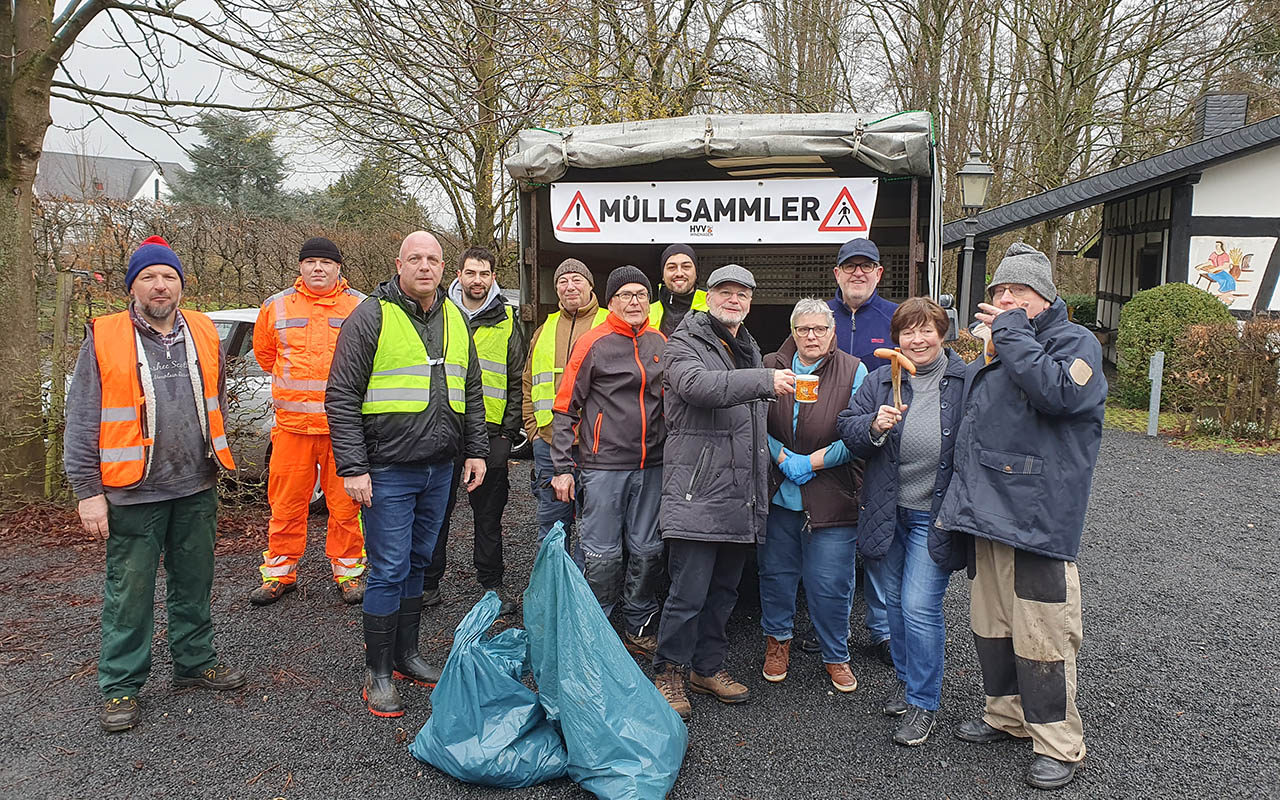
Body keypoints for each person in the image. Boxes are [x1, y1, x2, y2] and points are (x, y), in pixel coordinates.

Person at [937, 243, 1106, 790]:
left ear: (1047, 297)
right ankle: (1006, 714)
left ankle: (1058, 741)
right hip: (988, 511)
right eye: (998, 293)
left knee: (1044, 635)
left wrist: (1009, 333)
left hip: (1038, 517)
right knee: (992, 625)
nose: (1005, 301)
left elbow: (1059, 393)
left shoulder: (1076, 344)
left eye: (1018, 292)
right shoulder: (1003, 347)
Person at [64, 235, 244, 733]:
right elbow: (81, 419)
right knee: (130, 592)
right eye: (148, 277)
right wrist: (88, 492)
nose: (159, 285)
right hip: (132, 491)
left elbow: (217, 401)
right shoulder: (104, 337)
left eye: (168, 276)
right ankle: (121, 686)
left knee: (195, 584)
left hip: (195, 486)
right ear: (133, 286)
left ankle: (194, 662)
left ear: (181, 285)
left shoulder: (204, 330)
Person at [325, 231, 488, 718]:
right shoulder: (371, 316)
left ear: (445, 269)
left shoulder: (456, 318)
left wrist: (475, 451)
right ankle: (376, 670)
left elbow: (472, 389)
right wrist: (353, 467)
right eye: (415, 258)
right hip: (388, 469)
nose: (424, 266)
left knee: (419, 562)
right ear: (398, 264)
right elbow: (341, 397)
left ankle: (406, 654)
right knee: (389, 567)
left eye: (433, 259)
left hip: (441, 467)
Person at [652, 264, 796, 719]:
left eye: (742, 294)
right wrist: (765, 381)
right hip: (697, 491)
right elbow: (699, 388)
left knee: (724, 592)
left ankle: (706, 668)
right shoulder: (683, 342)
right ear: (707, 297)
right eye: (725, 292)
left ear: (750, 302)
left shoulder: (747, 347)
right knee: (687, 592)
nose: (734, 300)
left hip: (739, 494)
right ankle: (668, 673)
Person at [837, 297, 968, 747]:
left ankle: (924, 703)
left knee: (918, 606)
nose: (917, 339)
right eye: (908, 332)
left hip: (934, 516)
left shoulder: (964, 380)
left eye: (927, 330)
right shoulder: (880, 380)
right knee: (895, 605)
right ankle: (909, 682)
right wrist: (874, 426)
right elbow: (848, 429)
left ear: (942, 333)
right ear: (895, 339)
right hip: (887, 511)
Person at [550, 265, 666, 657]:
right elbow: (565, 408)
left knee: (648, 549)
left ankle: (639, 623)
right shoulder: (593, 343)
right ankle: (595, 625)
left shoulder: (659, 342)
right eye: (626, 295)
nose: (634, 302)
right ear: (612, 301)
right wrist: (563, 468)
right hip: (602, 467)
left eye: (641, 295)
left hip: (652, 466)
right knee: (602, 552)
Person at [250, 237, 367, 606]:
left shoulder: (360, 307)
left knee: (346, 506)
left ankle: (349, 572)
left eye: (326, 262)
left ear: (338, 268)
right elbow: (266, 355)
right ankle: (280, 574)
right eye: (311, 261)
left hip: (342, 431)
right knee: (285, 506)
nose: (318, 268)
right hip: (291, 430)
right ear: (300, 267)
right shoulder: (276, 306)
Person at [759, 299, 868, 693]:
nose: (811, 336)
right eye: (803, 329)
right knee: (776, 575)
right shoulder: (771, 365)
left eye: (819, 329)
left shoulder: (855, 370)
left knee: (831, 582)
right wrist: (781, 455)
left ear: (832, 332)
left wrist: (813, 462)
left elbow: (859, 434)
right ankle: (777, 642)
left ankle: (836, 654)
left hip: (832, 494)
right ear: (793, 331)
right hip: (778, 493)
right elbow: (754, 421)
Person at [422, 247, 526, 616]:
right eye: (471, 273)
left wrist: (507, 433)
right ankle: (428, 585)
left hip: (492, 432)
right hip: (445, 431)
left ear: (493, 278)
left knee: (488, 517)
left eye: (484, 273)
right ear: (459, 275)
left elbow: (517, 379)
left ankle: (492, 586)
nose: (477, 280)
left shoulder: (508, 319)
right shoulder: (439, 314)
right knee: (436, 513)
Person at [825, 237, 899, 665]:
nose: (857, 273)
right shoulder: (820, 318)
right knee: (831, 540)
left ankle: (883, 630)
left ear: (878, 274)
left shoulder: (895, 319)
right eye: (849, 267)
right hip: (826, 444)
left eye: (865, 267)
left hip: (879, 444)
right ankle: (828, 626)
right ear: (836, 274)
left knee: (878, 540)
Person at [522, 258, 607, 545]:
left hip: (597, 444)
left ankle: (585, 589)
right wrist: (533, 431)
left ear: (590, 285)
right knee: (551, 525)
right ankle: (553, 587)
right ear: (556, 289)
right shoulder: (544, 329)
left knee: (594, 528)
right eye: (563, 281)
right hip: (548, 441)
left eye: (577, 280)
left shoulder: (609, 323)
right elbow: (527, 381)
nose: (570, 286)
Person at [648, 244, 708, 336]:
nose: (679, 273)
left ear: (696, 273)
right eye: (672, 267)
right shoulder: (647, 312)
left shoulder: (713, 309)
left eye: (686, 267)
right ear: (663, 276)